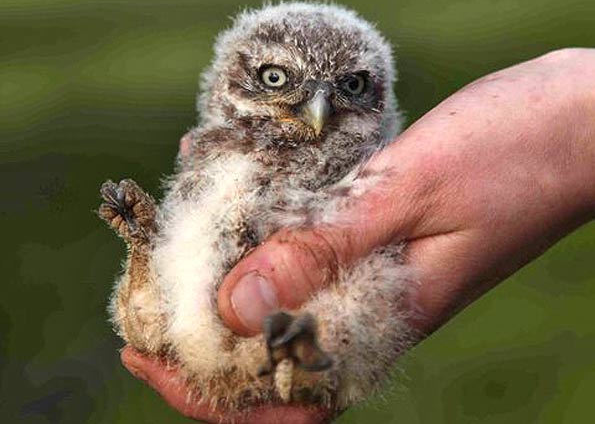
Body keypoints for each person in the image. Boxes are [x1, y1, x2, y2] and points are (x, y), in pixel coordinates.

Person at [120, 48, 595, 424]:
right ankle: (150, 257)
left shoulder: (370, 164)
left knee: (348, 294)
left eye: (349, 85)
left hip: (300, 338)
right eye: (276, 78)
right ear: (232, 78)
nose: (318, 107)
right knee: (167, 290)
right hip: (214, 329)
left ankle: (301, 361)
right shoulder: (225, 150)